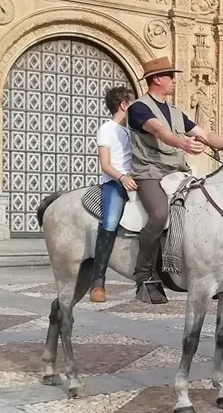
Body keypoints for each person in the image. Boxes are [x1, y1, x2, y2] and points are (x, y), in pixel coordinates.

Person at [127, 56, 223, 304]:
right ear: (157, 79)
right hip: (150, 173)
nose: (174, 81)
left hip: (178, 173)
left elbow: (207, 136)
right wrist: (181, 142)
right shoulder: (139, 108)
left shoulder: (177, 113)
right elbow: (158, 130)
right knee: (159, 213)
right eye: (171, 76)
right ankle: (144, 277)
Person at [90, 86, 137, 303]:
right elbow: (105, 164)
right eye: (133, 103)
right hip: (115, 182)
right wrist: (122, 178)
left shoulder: (132, 129)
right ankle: (98, 281)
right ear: (123, 105)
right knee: (109, 221)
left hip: (138, 180)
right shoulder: (106, 129)